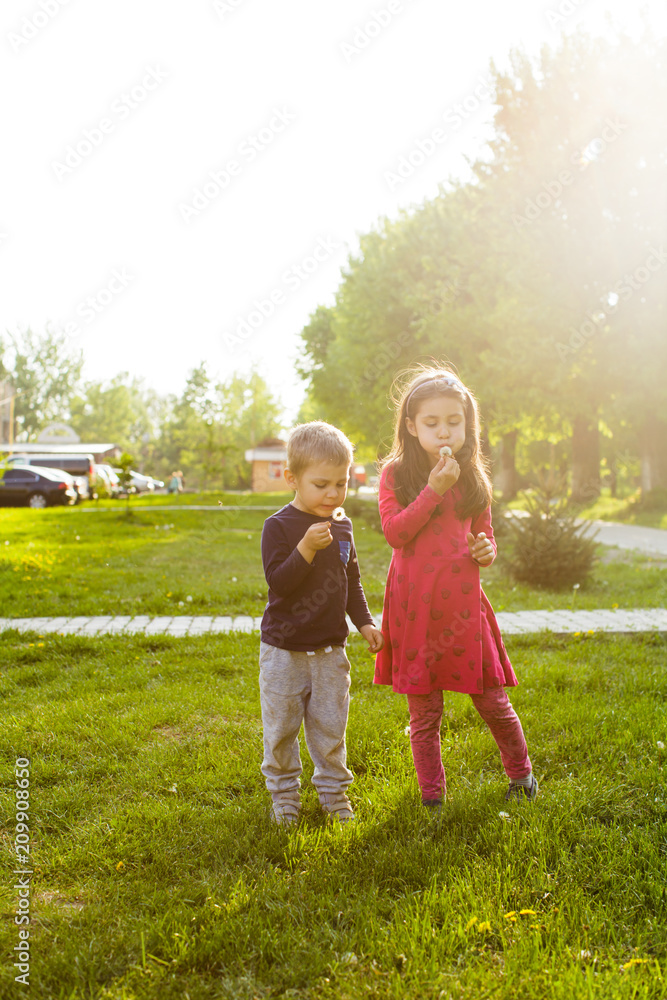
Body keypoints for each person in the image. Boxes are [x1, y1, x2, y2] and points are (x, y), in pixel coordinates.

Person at [374, 365, 537, 811]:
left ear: (468, 423)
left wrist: (486, 549)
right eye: (431, 423)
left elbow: (484, 535)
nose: (444, 430)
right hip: (416, 609)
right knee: (425, 714)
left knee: (493, 701)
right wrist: (431, 490)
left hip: (464, 608)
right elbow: (395, 533)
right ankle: (432, 798)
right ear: (411, 426)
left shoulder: (472, 475)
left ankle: (522, 776)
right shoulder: (395, 475)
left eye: (454, 421)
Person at [259, 421, 384, 826]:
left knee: (331, 728)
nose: (332, 494)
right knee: (281, 729)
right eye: (321, 484)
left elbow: (352, 581)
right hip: (284, 651)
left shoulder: (342, 525)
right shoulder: (277, 527)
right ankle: (284, 795)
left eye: (341, 484)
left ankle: (333, 794)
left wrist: (364, 622)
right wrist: (305, 549)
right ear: (292, 478)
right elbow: (280, 583)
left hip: (331, 650)